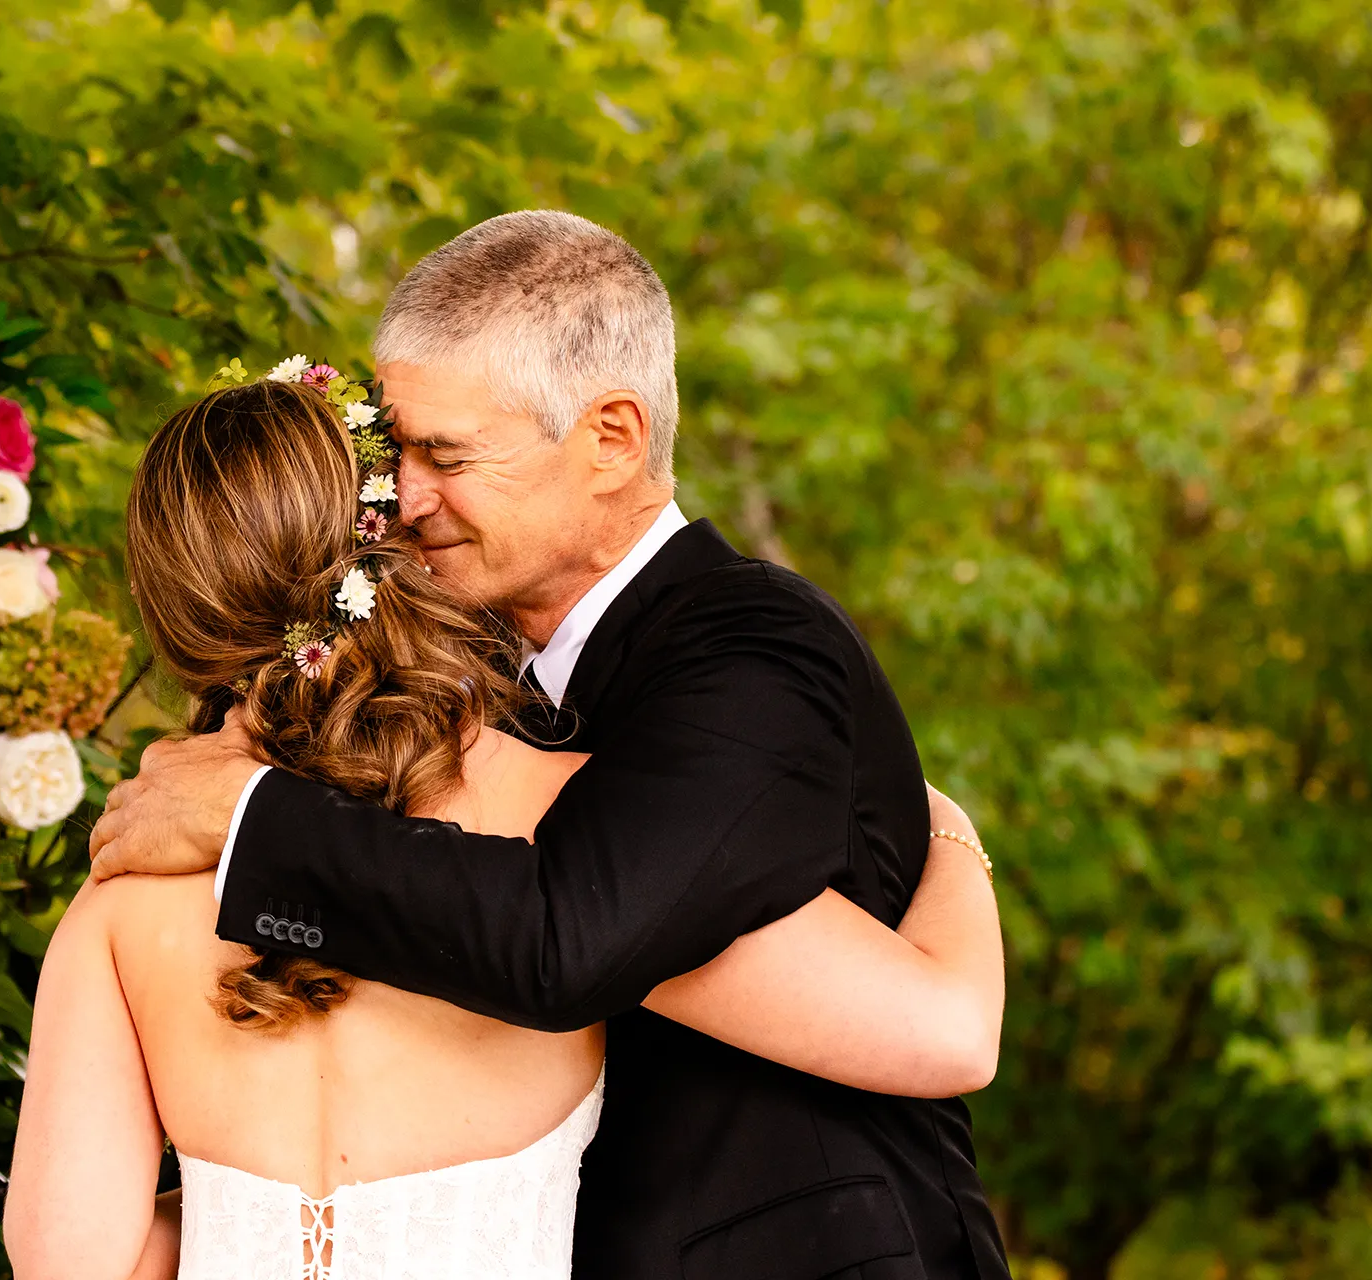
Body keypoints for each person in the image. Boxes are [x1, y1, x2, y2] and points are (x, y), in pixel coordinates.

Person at [80, 211, 1012, 1279]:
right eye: (395, 450)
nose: (402, 498)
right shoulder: (460, 684)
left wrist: (246, 819)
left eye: (447, 453)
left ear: (612, 437)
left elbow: (571, 938)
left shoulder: (753, 646)